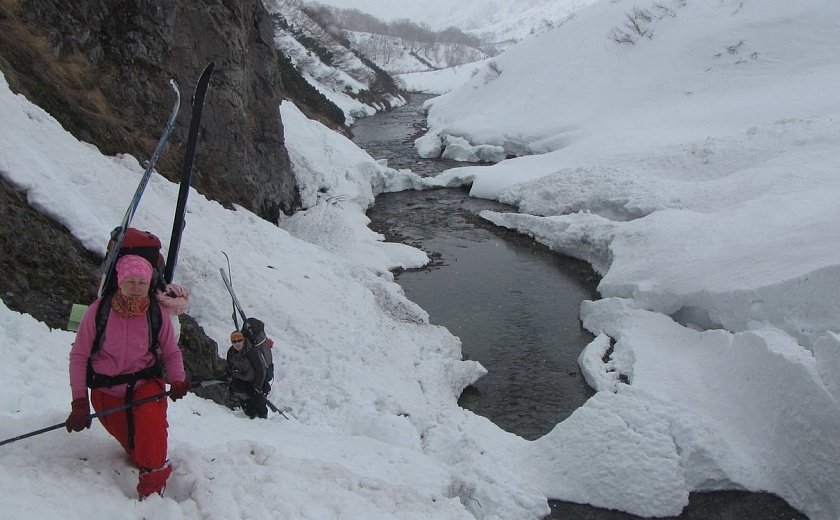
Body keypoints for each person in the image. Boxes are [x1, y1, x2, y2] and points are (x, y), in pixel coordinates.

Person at [65, 255, 191, 498]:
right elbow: (79, 357)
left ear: (149, 286)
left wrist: (176, 380)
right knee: (135, 451)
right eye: (130, 281)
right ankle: (147, 467)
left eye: (141, 283)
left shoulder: (156, 314)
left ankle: (152, 494)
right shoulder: (98, 312)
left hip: (145, 384)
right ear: (120, 282)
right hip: (106, 391)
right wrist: (79, 402)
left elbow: (171, 352)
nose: (136, 288)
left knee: (152, 434)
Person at [226, 330, 268, 419]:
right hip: (241, 383)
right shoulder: (231, 353)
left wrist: (257, 387)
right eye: (234, 341)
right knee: (248, 409)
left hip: (256, 383)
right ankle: (250, 417)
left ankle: (264, 422)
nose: (237, 343)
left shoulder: (252, 352)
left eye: (239, 340)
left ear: (243, 340)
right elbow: (229, 367)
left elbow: (261, 370)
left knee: (259, 407)